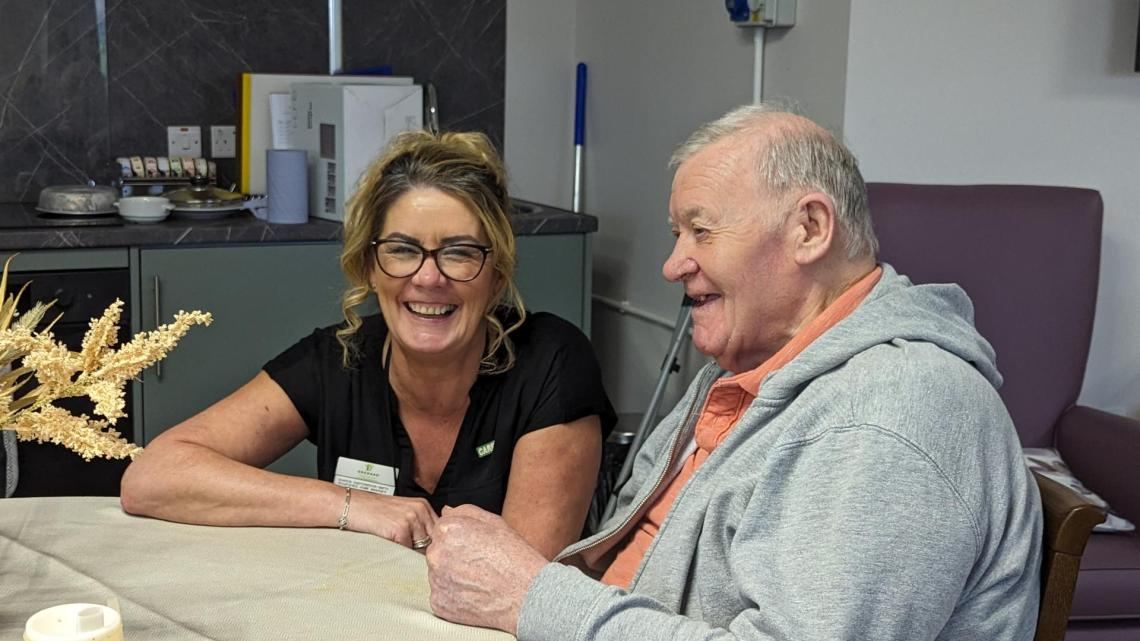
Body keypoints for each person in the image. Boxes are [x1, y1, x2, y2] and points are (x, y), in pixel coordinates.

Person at [424, 105, 1043, 640]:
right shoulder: (754, 364)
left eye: (702, 230)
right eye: (677, 233)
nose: (672, 264)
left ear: (810, 229)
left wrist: (529, 596)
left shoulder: (891, 414)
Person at [120, 131, 616, 560]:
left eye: (459, 253)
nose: (428, 277)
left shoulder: (551, 362)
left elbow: (520, 591)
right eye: (402, 250)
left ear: (497, 275)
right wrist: (352, 506)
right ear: (369, 267)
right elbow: (153, 477)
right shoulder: (339, 359)